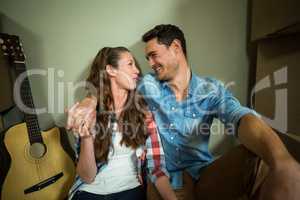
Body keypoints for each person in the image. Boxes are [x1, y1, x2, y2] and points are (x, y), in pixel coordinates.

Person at [67, 25, 300, 200]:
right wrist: (90, 101)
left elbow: (241, 118)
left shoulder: (211, 89)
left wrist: (282, 160)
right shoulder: (146, 84)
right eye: (146, 58)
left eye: (153, 55)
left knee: (260, 158)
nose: (148, 64)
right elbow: (110, 86)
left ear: (176, 48)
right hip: (162, 179)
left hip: (203, 174)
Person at [67, 47, 177, 200]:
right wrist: (86, 138)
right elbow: (87, 177)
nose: (137, 70)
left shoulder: (144, 113)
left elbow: (157, 166)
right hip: (89, 191)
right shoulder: (88, 113)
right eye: (130, 64)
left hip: (129, 190)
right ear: (111, 70)